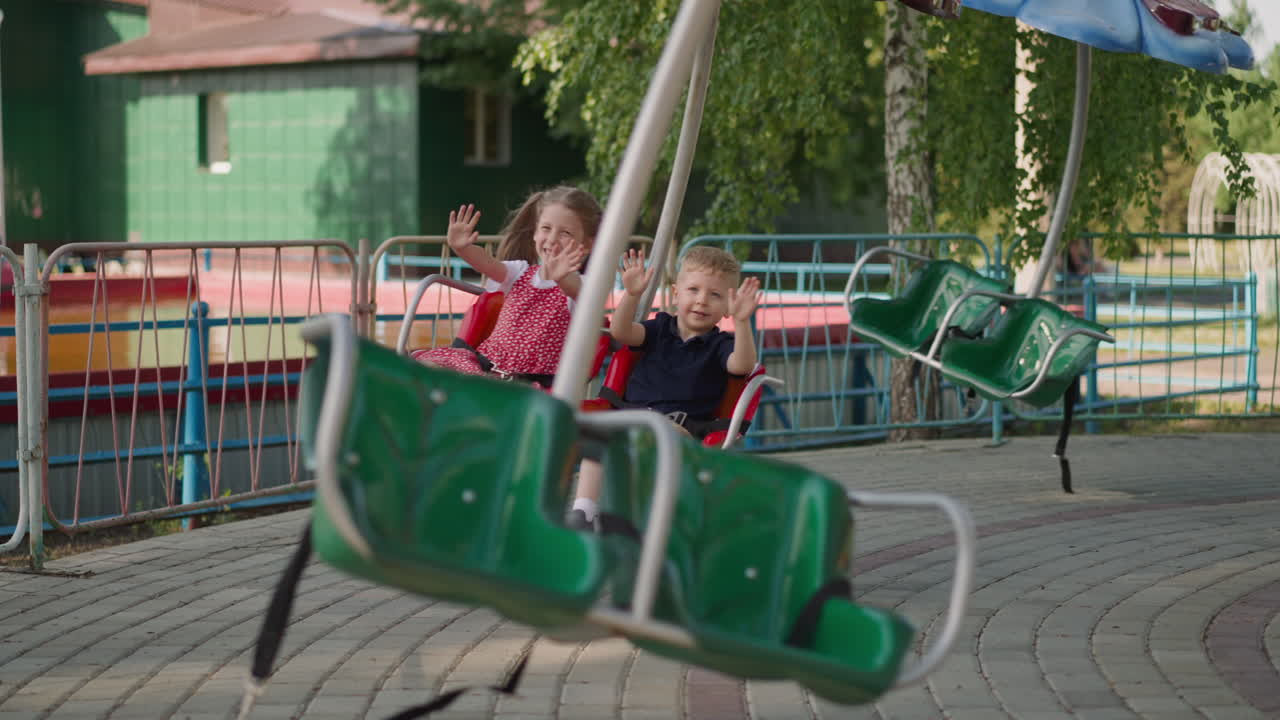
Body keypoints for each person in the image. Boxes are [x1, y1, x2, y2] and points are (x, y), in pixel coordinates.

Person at [567, 245, 761, 529]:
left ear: (729, 305)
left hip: (680, 426)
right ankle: (584, 510)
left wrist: (742, 323)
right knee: (599, 438)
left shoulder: (721, 346)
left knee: (658, 436)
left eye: (715, 295)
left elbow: (742, 367)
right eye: (693, 290)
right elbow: (622, 333)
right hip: (631, 415)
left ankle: (640, 515)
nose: (702, 301)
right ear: (676, 292)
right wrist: (632, 295)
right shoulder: (659, 329)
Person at [410, 186, 601, 387]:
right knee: (426, 367)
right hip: (485, 367)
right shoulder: (519, 272)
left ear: (587, 245)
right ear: (535, 233)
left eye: (566, 233)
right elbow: (487, 263)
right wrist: (462, 248)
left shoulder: (584, 285)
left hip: (529, 382)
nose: (552, 239)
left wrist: (562, 277)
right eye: (546, 228)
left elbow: (578, 292)